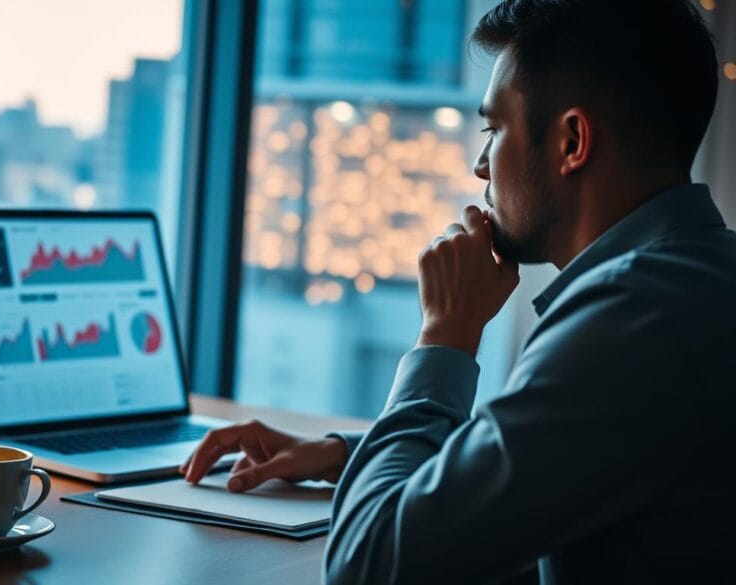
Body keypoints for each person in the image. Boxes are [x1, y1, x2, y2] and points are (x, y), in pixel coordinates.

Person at [181, 0, 736, 582]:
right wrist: (353, 456)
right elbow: (558, 468)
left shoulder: (631, 323)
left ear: (573, 141)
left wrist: (444, 337)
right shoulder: (695, 287)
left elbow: (367, 566)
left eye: (494, 128)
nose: (479, 165)